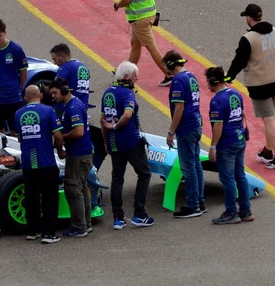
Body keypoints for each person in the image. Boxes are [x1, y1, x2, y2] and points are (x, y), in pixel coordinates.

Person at [226, 4, 275, 170]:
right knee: (269, 117)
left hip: (260, 84)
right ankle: (268, 151)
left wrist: (228, 77)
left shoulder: (248, 39)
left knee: (269, 119)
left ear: (249, 18)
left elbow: (239, 61)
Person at [100, 61, 154, 229]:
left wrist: (106, 141)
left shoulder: (107, 93)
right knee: (144, 173)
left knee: (117, 178)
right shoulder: (127, 94)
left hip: (114, 143)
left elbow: (103, 120)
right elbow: (128, 115)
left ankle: (118, 218)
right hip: (130, 141)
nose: (137, 79)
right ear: (126, 77)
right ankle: (139, 214)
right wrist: (117, 126)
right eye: (134, 75)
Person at [15, 85, 63, 244]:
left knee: (31, 197)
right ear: (41, 95)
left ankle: (32, 231)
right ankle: (48, 234)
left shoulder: (18, 114)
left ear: (25, 98)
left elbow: (19, 138)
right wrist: (60, 150)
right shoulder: (49, 111)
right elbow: (58, 135)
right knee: (50, 198)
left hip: (28, 163)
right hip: (46, 162)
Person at [205, 66, 253, 224]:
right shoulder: (235, 93)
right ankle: (245, 211)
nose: (207, 85)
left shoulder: (217, 101)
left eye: (208, 81)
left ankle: (231, 212)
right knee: (240, 176)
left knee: (228, 179)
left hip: (227, 144)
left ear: (213, 81)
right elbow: (242, 115)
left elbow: (218, 126)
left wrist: (213, 147)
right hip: (239, 140)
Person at [163, 50, 205, 218]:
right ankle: (199, 201)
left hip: (186, 128)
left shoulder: (178, 81)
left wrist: (171, 132)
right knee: (196, 165)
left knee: (188, 167)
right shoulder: (191, 76)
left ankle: (193, 205)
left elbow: (179, 108)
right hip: (196, 125)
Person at [49, 78, 92, 238]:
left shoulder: (73, 107)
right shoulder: (73, 105)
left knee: (73, 190)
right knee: (80, 188)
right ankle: (85, 224)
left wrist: (61, 137)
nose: (53, 96)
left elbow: (79, 132)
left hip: (79, 155)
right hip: (81, 154)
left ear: (65, 90)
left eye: (55, 92)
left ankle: (79, 226)